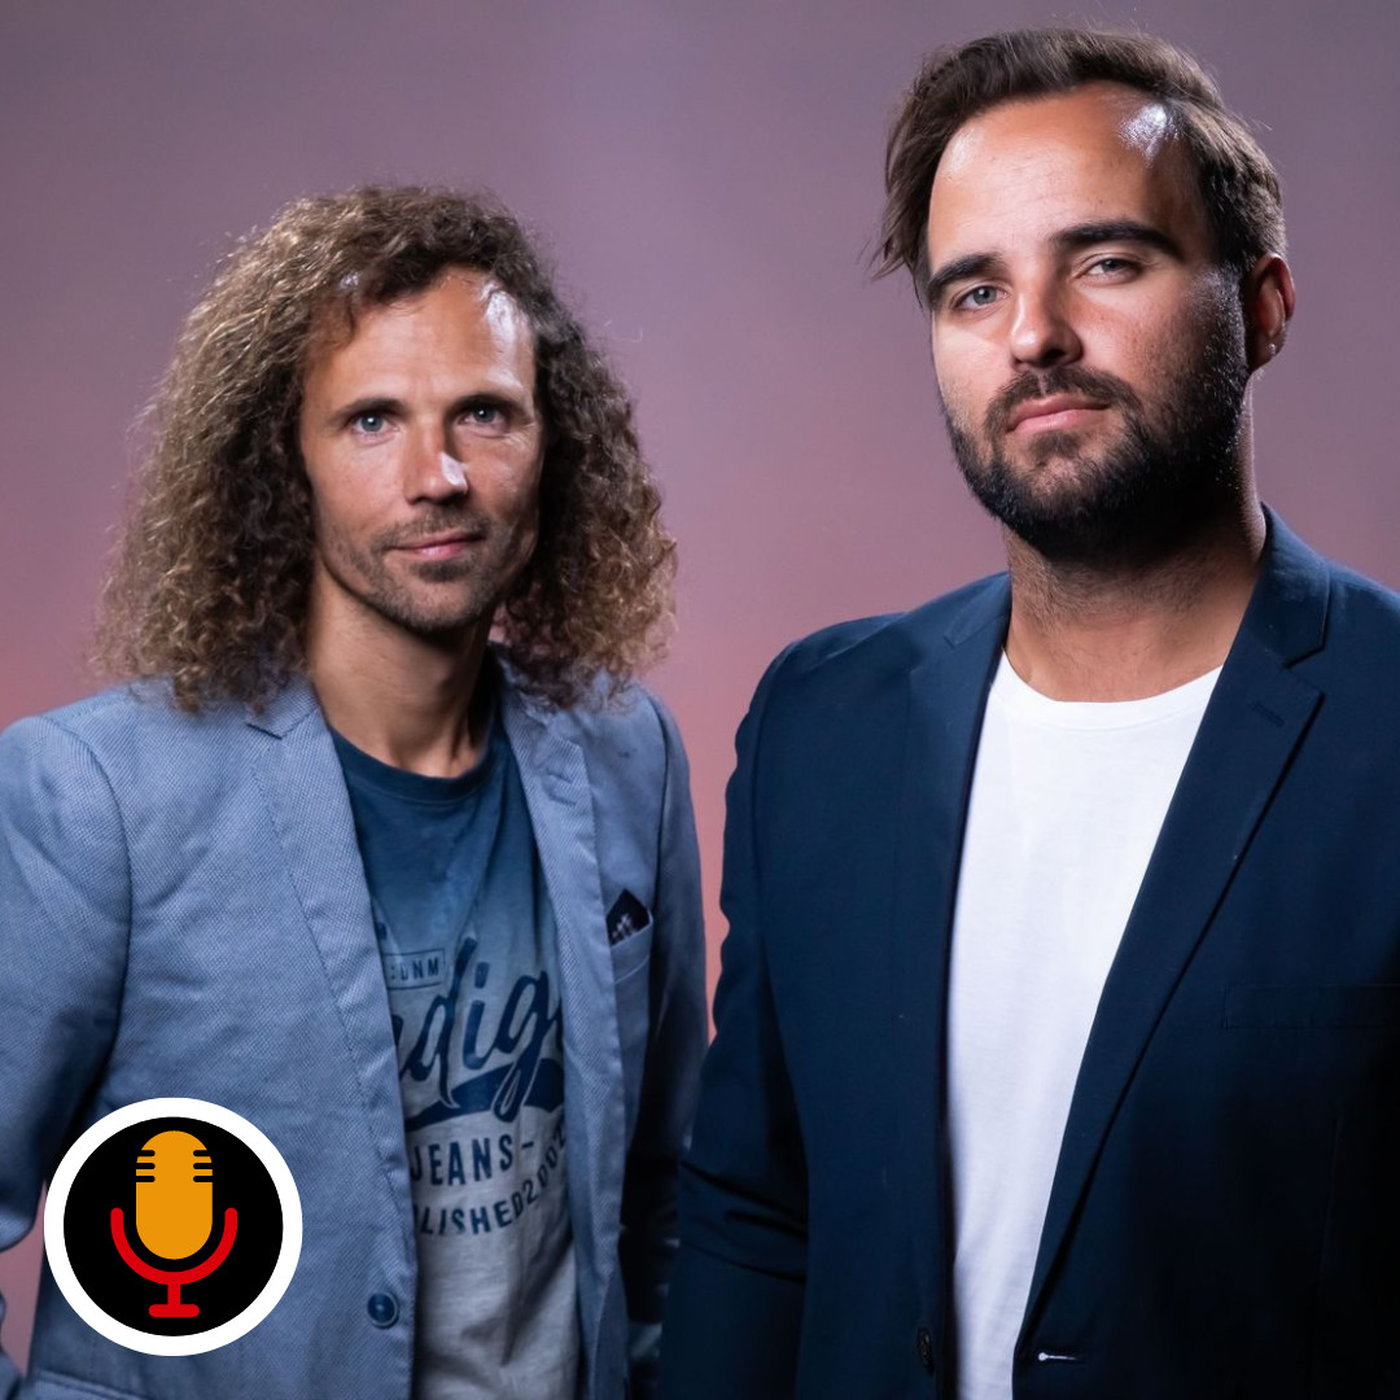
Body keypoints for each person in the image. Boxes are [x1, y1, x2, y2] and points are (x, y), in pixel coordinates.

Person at [660, 27, 1400, 1400]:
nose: (1034, 336)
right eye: (974, 290)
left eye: (1106, 262)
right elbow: (757, 1218)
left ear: (1263, 307)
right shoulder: (824, 725)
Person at [0, 186, 706, 1400]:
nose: (438, 474)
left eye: (484, 412)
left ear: (554, 444)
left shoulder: (626, 754)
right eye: (372, 419)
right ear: (286, 462)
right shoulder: (97, 796)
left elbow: (666, 1191)